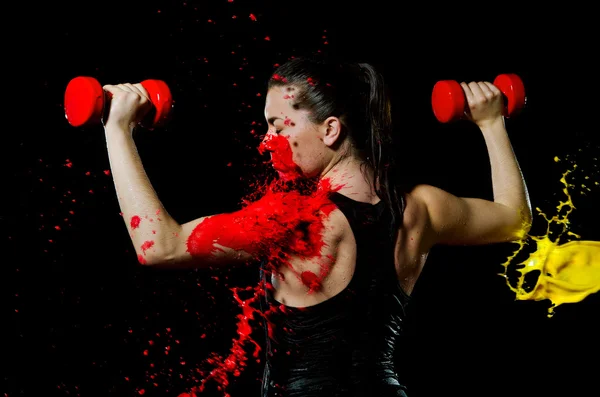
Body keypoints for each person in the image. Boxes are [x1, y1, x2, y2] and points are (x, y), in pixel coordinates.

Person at [101, 56, 532, 396]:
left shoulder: (300, 219)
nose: (265, 141)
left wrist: (118, 129)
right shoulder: (424, 207)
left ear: (330, 130)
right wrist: (492, 123)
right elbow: (515, 220)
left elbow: (158, 245)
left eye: (277, 125)